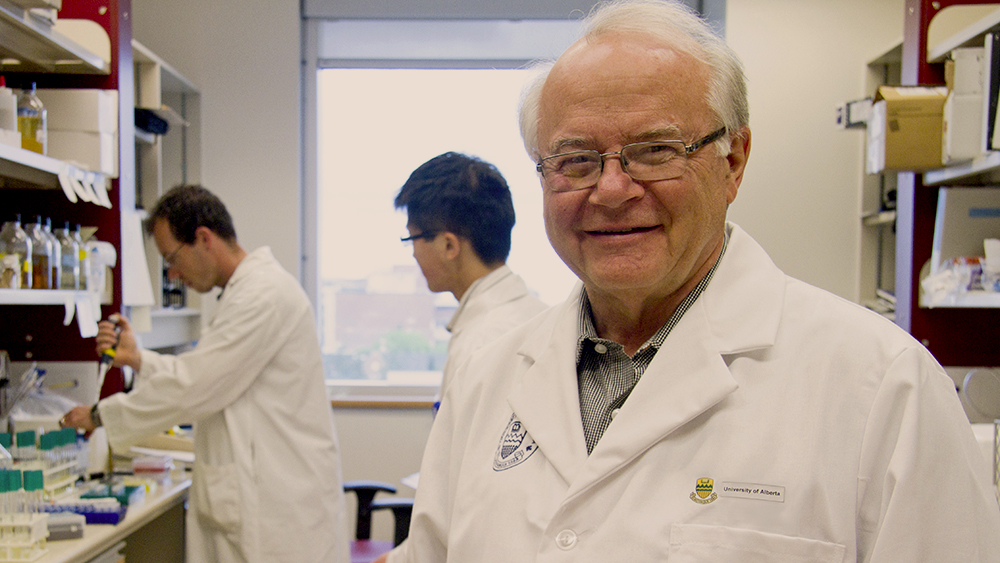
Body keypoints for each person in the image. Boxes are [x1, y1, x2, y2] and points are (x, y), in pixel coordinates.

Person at [379, 1, 1000, 562]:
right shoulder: (490, 379)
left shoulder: (883, 386)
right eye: (576, 160)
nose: (613, 190)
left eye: (656, 150)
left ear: (733, 161)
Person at [61, 185, 350, 563]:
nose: (173, 273)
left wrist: (98, 415)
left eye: (172, 257)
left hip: (277, 516)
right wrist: (138, 360)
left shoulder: (262, 294)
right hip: (260, 501)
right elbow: (209, 374)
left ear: (203, 238)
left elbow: (195, 386)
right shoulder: (244, 293)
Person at [394, 152, 547, 398]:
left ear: (448, 246)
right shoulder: (537, 315)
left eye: (412, 239)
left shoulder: (483, 343)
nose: (413, 254)